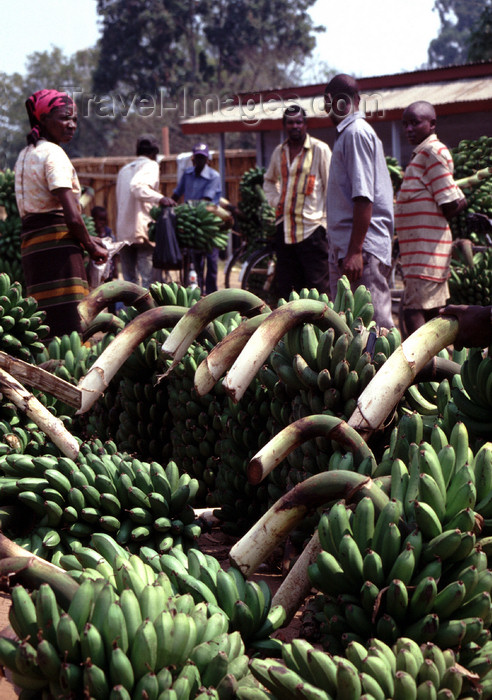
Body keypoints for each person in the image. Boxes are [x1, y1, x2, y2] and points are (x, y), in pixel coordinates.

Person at [14, 89, 108, 339]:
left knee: (46, 325)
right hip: (59, 253)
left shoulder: (25, 155)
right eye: (65, 117)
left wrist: (87, 240)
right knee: (72, 324)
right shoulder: (53, 154)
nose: (71, 124)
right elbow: (72, 217)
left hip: (34, 249)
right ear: (43, 119)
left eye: (75, 119)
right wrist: (90, 246)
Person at [324, 74, 394, 329]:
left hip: (361, 251)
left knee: (375, 329)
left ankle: (388, 369)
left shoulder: (355, 133)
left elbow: (364, 198)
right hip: (351, 249)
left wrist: (355, 250)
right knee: (352, 329)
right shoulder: (349, 134)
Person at [395, 100, 467, 337]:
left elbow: (450, 202)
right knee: (431, 313)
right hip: (420, 251)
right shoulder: (421, 154)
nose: (408, 129)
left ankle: (423, 365)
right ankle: (437, 366)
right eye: (405, 124)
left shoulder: (431, 152)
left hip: (426, 252)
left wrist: (459, 203)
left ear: (432, 124)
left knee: (413, 311)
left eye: (415, 123)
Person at [263, 105, 331, 300]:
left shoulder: (320, 150)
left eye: (299, 122)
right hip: (285, 231)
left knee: (318, 291)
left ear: (305, 125)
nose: (295, 126)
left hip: (312, 230)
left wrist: (325, 223)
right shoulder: (280, 152)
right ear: (284, 126)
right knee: (289, 290)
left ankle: (323, 330)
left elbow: (331, 188)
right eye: (290, 122)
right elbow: (269, 180)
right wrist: (276, 200)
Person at [115, 135, 175, 289]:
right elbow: (138, 188)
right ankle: (146, 312)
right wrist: (160, 199)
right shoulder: (151, 165)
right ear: (155, 153)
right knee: (148, 281)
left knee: (129, 282)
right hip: (142, 230)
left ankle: (129, 313)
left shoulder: (124, 170)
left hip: (123, 232)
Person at [173, 143, 222, 294]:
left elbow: (206, 200)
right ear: (193, 159)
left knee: (212, 263)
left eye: (203, 158)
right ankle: (196, 292)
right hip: (191, 224)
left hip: (208, 224)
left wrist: (188, 209)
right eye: (198, 157)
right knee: (194, 261)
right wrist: (169, 204)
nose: (200, 161)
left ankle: (212, 294)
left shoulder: (214, 176)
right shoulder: (187, 174)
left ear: (207, 160)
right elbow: (177, 193)